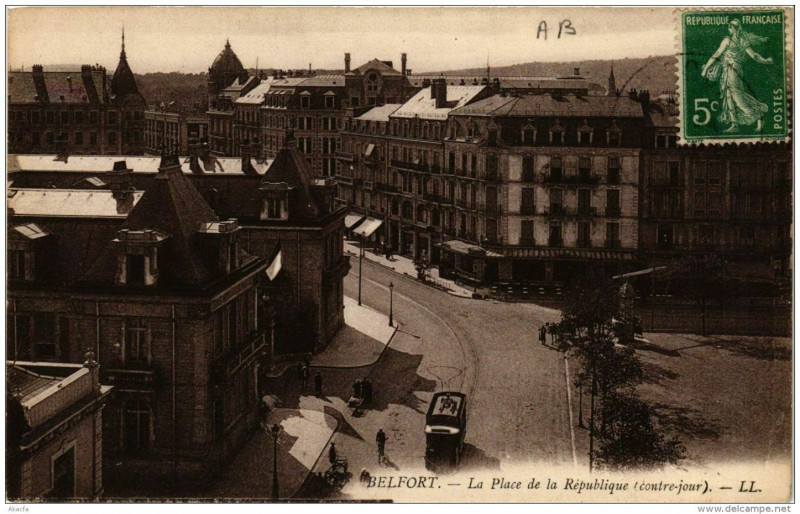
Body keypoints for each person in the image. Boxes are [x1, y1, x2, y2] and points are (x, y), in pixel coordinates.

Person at [701, 19, 773, 133]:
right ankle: (735, 124)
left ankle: (757, 115)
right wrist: (766, 61)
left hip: (731, 70)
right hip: (730, 70)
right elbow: (754, 56)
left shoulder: (727, 40)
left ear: (734, 28)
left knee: (736, 96)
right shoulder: (743, 41)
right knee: (729, 95)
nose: (728, 28)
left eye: (730, 27)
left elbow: (716, 54)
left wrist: (705, 69)